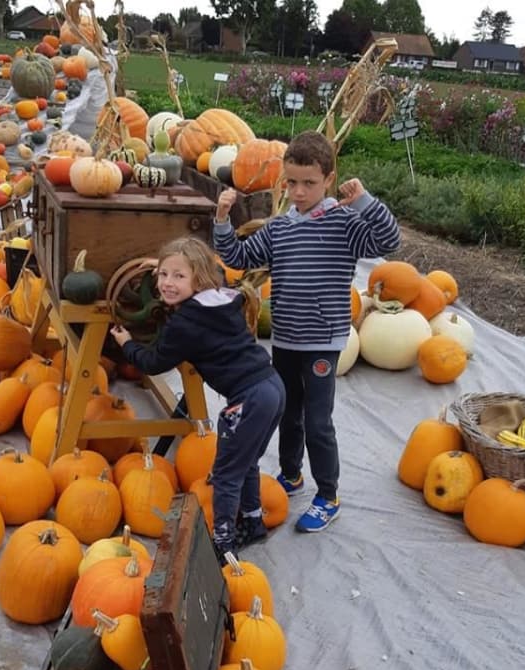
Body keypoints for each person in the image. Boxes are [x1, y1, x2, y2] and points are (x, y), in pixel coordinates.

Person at [213, 130, 401, 533]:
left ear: (329, 180)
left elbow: (389, 240)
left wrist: (364, 201)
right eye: (292, 182)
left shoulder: (344, 223)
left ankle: (328, 495)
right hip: (286, 338)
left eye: (309, 183)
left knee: (317, 421)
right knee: (288, 412)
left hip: (322, 340)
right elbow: (238, 257)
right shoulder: (280, 228)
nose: (298, 192)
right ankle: (291, 474)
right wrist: (223, 221)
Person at [110, 237, 285, 563]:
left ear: (198, 278)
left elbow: (153, 362)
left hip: (248, 401)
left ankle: (223, 544)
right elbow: (214, 272)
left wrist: (127, 344)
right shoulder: (221, 298)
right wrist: (170, 267)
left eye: (178, 276)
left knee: (226, 474)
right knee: (246, 461)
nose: (167, 283)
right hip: (272, 386)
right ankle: (253, 521)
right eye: (164, 275)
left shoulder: (185, 322)